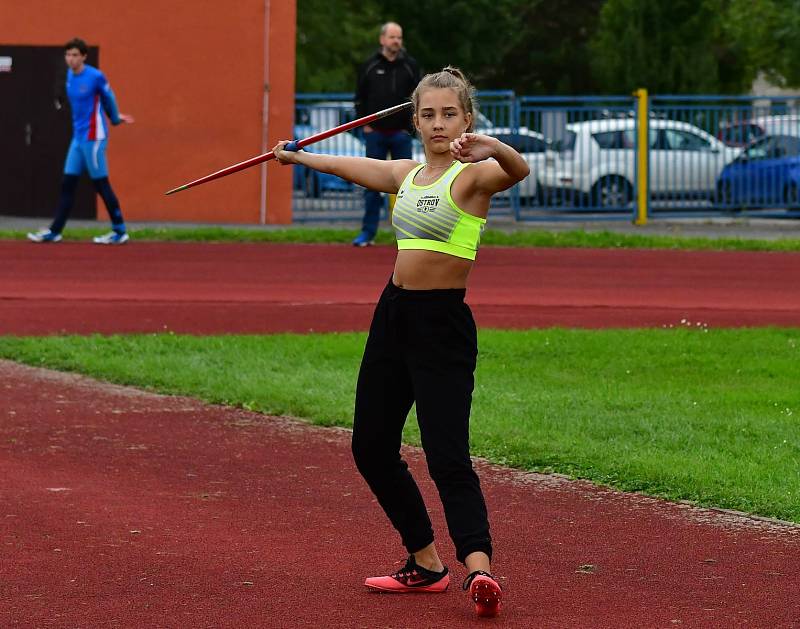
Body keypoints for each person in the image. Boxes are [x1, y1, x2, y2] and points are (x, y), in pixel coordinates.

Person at [272, 67, 529, 618]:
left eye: (450, 114)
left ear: (467, 119)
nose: (439, 124)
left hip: (442, 327)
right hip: (393, 316)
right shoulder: (409, 174)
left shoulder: (473, 176)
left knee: (446, 456)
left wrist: (492, 146)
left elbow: (518, 169)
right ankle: (427, 563)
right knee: (370, 446)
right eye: (429, 115)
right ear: (414, 121)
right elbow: (359, 167)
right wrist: (299, 157)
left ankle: (480, 570)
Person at [27, 37, 134, 245]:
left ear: (84, 56)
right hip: (78, 138)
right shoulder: (69, 75)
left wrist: (114, 118)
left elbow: (108, 97)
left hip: (94, 137)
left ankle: (119, 230)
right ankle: (55, 231)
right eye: (68, 55)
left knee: (101, 184)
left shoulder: (95, 77)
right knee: (67, 183)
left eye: (75, 55)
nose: (71, 59)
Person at [352, 21, 421, 247]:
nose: (396, 41)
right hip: (376, 134)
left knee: (407, 186)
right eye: (392, 37)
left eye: (399, 37)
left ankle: (407, 235)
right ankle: (367, 233)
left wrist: (410, 127)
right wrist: (366, 125)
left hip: (401, 134)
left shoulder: (410, 66)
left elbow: (418, 99)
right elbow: (359, 97)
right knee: (372, 185)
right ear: (382, 39)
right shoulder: (369, 66)